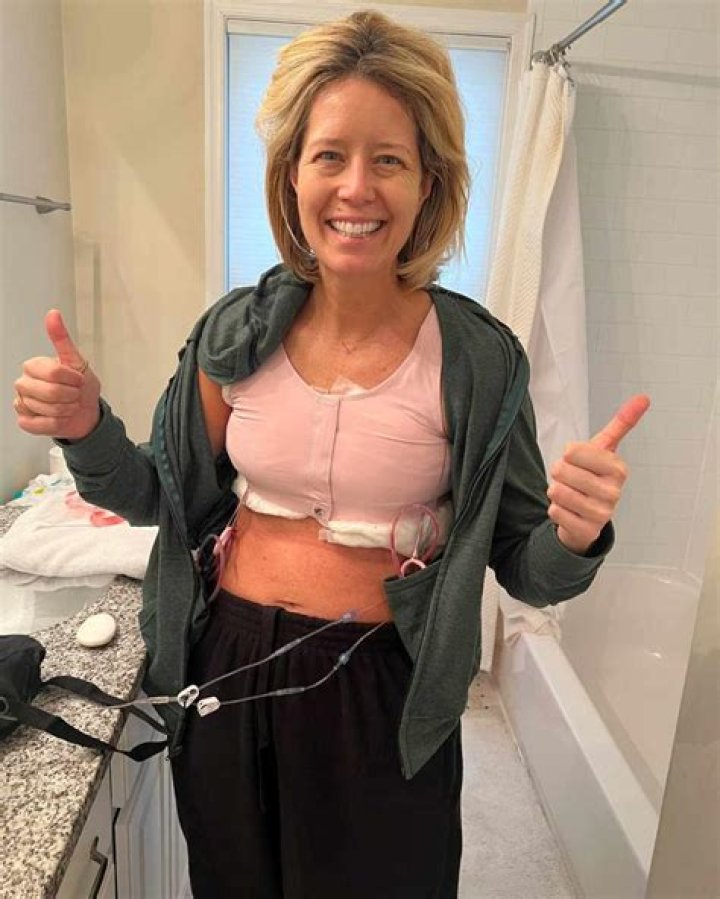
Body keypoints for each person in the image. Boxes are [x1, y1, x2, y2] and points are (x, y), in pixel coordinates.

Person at [13, 10, 649, 898]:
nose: (357, 187)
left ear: (428, 182)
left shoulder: (478, 359)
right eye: (329, 155)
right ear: (292, 174)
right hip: (227, 662)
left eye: (388, 159)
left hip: (382, 683)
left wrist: (575, 536)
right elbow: (157, 495)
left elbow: (526, 566)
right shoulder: (234, 332)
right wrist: (86, 427)